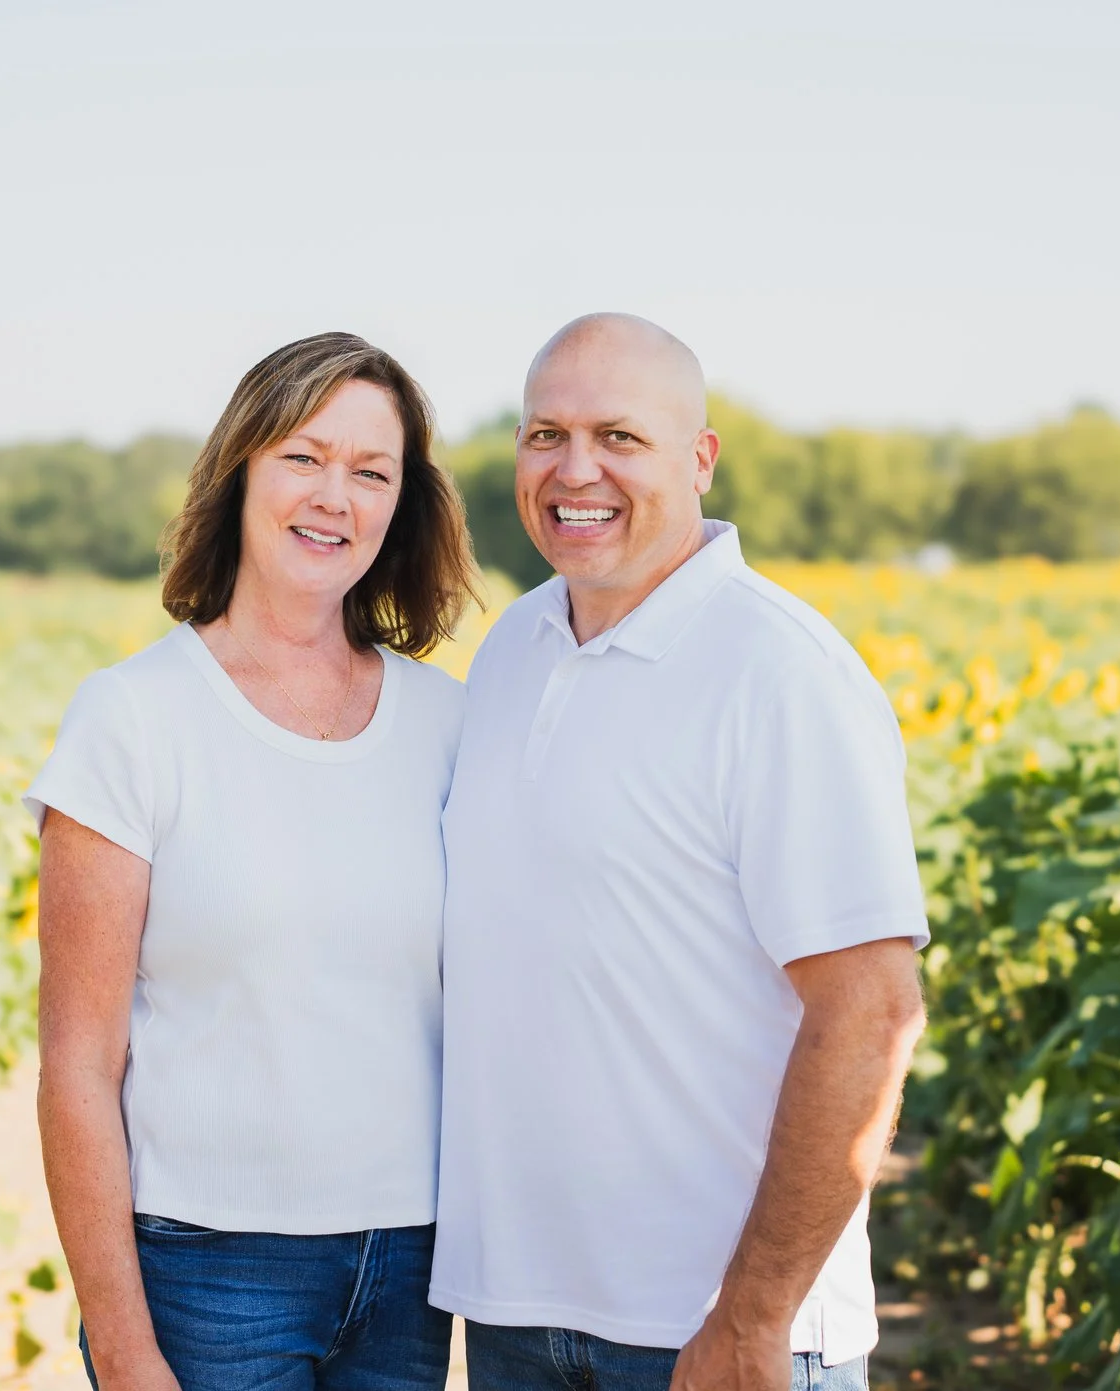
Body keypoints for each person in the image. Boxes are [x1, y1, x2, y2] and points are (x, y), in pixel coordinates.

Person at [432, 314, 930, 1391]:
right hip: (519, 1309)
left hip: (718, 1332)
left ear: (697, 458)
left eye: (619, 435)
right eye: (543, 434)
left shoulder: (782, 674)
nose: (574, 470)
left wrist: (753, 1313)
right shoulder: (514, 647)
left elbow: (871, 1009)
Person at [28, 331, 478, 1391]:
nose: (336, 495)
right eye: (303, 456)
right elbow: (78, 1067)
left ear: (400, 506)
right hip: (206, 1265)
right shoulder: (133, 717)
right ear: (239, 468)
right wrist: (125, 1348)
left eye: (372, 471)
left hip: (413, 1262)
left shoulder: (451, 721)